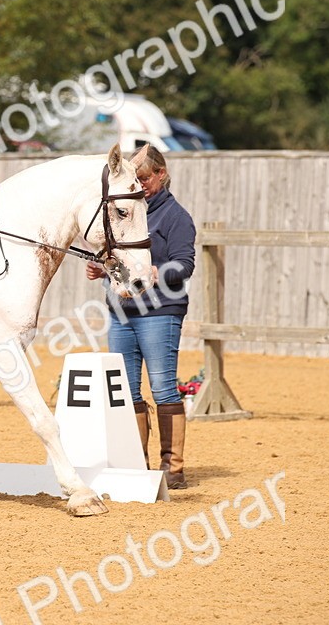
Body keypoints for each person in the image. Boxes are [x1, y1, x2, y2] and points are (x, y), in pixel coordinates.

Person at [86, 144, 196, 488]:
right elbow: (123, 261)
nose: (142, 184)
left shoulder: (176, 216)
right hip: (121, 311)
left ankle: (172, 467)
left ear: (162, 174)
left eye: (146, 177)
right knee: (127, 391)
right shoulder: (130, 212)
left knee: (163, 388)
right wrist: (103, 270)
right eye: (138, 178)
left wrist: (156, 272)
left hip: (160, 311)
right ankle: (137, 461)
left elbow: (185, 264)